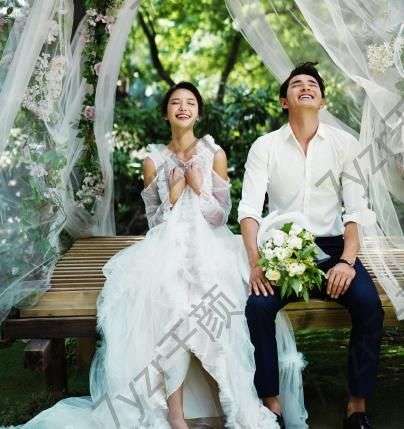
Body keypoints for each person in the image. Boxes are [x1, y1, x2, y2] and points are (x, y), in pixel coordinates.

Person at [20, 81, 294, 429]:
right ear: (166, 113)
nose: (183, 107)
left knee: (213, 310)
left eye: (190, 102)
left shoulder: (215, 154)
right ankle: (175, 415)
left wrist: (198, 186)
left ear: (198, 112)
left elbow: (220, 216)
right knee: (167, 307)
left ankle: (231, 404)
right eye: (176, 102)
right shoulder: (153, 160)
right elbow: (156, 222)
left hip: (211, 247)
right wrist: (175, 193)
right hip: (166, 248)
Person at [239, 62, 384, 429]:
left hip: (334, 248)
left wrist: (347, 261)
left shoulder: (344, 145)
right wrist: (256, 262)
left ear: (322, 100)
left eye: (312, 85)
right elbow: (250, 211)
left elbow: (355, 210)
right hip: (281, 249)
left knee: (369, 305)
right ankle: (271, 405)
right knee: (257, 307)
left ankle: (357, 407)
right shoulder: (265, 146)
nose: (305, 87)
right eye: (296, 84)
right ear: (284, 101)